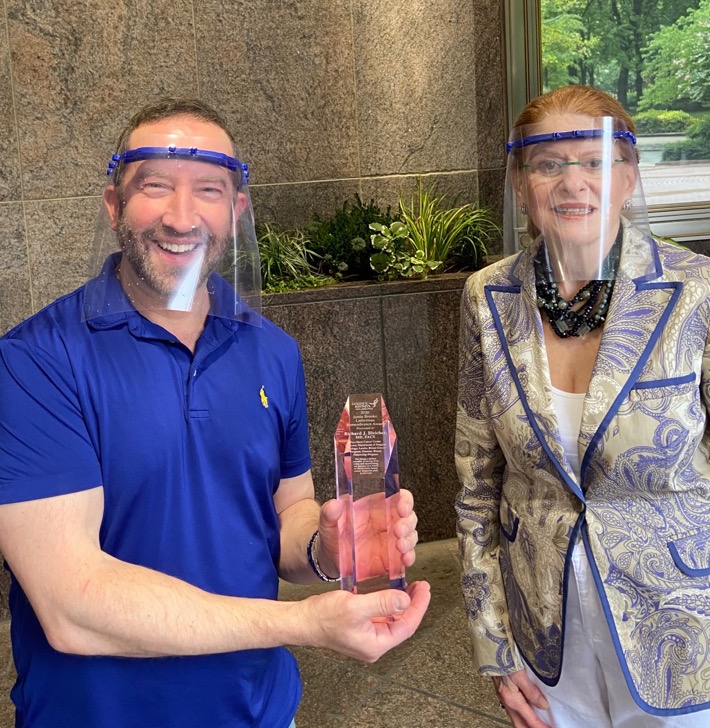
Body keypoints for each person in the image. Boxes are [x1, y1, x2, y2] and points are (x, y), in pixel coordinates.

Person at [0, 98, 431, 728]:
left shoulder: (271, 352)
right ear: (114, 206)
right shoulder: (36, 360)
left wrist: (329, 547)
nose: (181, 216)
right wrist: (302, 622)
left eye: (208, 189)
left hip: (258, 708)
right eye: (155, 187)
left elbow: (285, 515)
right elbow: (72, 605)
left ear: (236, 211)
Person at [454, 84, 710, 728]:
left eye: (593, 161)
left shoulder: (694, 292)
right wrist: (493, 645)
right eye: (548, 164)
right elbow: (475, 485)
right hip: (545, 635)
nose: (572, 182)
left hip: (683, 627)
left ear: (628, 175)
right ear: (521, 185)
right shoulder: (487, 298)